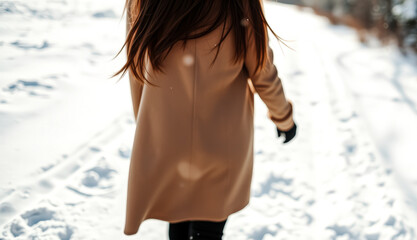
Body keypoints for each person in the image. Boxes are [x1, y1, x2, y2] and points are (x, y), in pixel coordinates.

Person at [114, 0, 297, 239]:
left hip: (169, 140)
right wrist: (284, 118)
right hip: (221, 144)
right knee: (207, 231)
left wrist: (150, 126)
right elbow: (261, 70)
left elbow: (137, 66)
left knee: (178, 221)